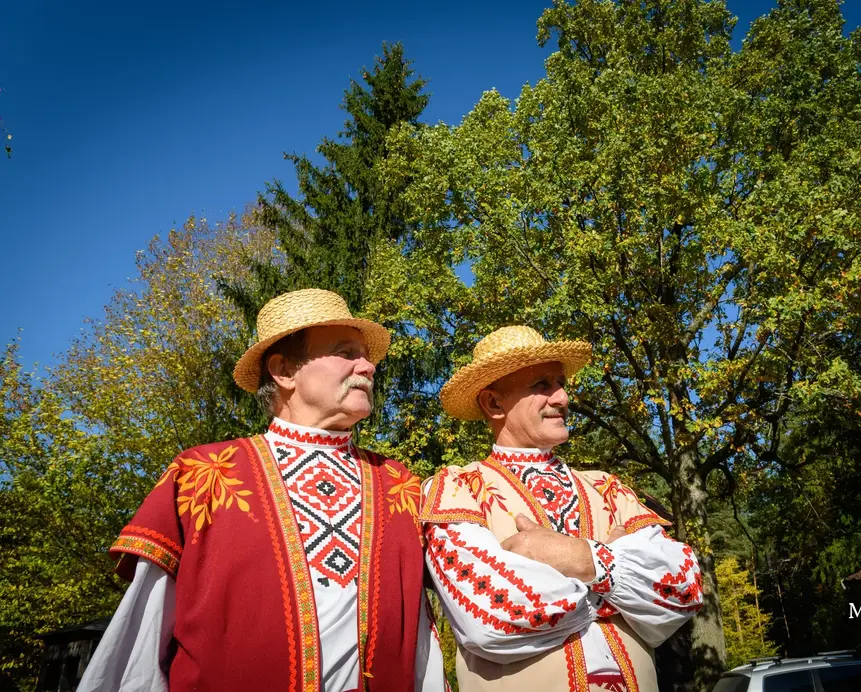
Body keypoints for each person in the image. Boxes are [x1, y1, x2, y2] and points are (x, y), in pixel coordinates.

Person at [79, 288, 445, 692]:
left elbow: (423, 641)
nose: (368, 366)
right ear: (284, 371)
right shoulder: (202, 475)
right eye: (346, 352)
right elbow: (141, 643)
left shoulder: (399, 484)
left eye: (367, 355)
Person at [420, 326, 704, 692]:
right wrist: (624, 583)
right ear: (493, 404)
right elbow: (493, 616)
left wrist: (581, 560)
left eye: (560, 382)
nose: (563, 397)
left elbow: (683, 588)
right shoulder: (456, 488)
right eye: (542, 384)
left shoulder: (606, 486)